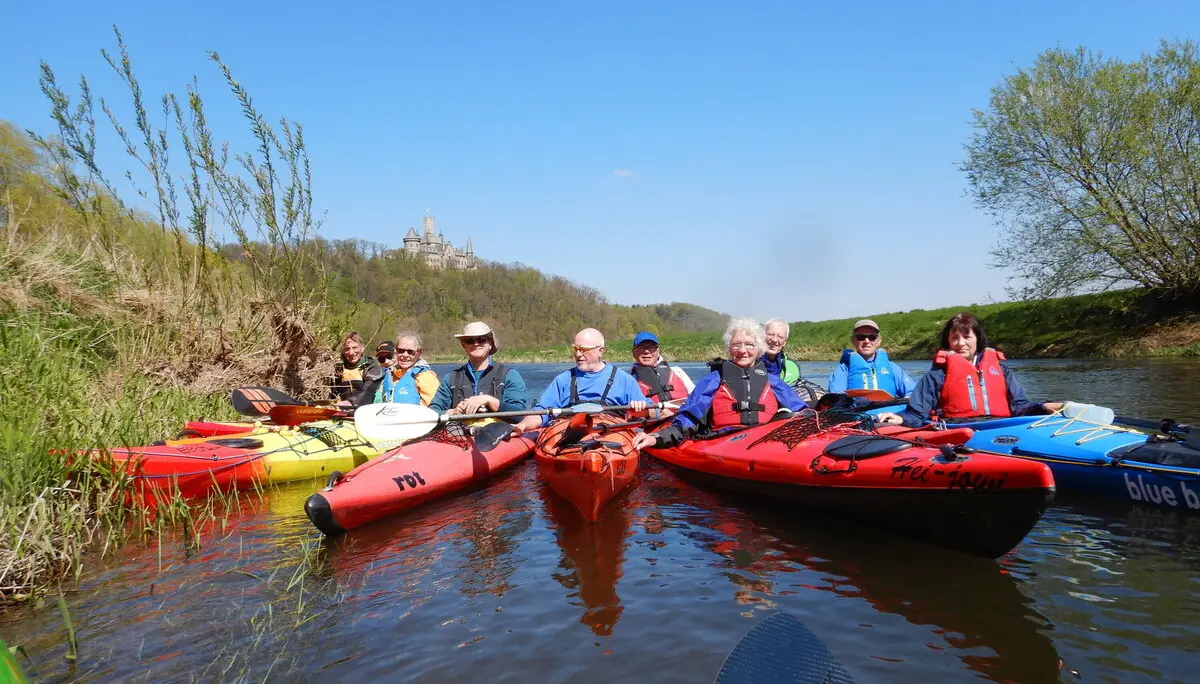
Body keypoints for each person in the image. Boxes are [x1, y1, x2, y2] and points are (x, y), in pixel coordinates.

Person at [633, 318, 809, 450]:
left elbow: (803, 412)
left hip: (765, 442)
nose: (742, 350)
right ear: (728, 348)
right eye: (736, 344)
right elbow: (688, 418)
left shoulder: (773, 381)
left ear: (759, 348)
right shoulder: (714, 380)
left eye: (749, 344)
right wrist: (657, 437)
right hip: (725, 443)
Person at [878, 312, 1063, 427]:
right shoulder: (937, 374)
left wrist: (1042, 406)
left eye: (967, 336)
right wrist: (901, 419)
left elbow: (1019, 406)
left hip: (1002, 426)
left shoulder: (1001, 370)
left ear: (977, 339)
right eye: (955, 338)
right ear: (948, 342)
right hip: (958, 429)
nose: (961, 343)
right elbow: (918, 413)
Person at [511, 328, 649, 433]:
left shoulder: (624, 380)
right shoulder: (563, 380)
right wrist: (522, 426)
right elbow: (541, 413)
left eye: (583, 349)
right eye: (576, 349)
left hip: (610, 434)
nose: (578, 354)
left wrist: (641, 409)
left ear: (601, 351)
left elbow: (652, 411)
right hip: (571, 435)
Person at [428, 321, 528, 416]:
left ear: (490, 344)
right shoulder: (450, 379)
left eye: (481, 339)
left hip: (499, 432)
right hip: (459, 432)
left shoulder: (509, 375)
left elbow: (519, 414)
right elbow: (431, 412)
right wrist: (451, 412)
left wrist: (489, 401)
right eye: (470, 340)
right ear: (464, 345)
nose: (476, 343)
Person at [826, 319, 918, 398]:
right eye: (861, 337)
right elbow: (836, 398)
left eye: (872, 337)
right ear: (853, 340)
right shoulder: (843, 370)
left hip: (889, 416)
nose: (867, 341)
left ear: (878, 341)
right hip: (858, 416)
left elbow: (913, 393)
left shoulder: (892, 368)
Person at [374, 332, 440, 406]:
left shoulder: (426, 377)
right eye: (401, 351)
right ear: (396, 351)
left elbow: (434, 409)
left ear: (419, 353)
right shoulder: (390, 375)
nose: (405, 355)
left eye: (410, 352)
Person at [629, 331, 694, 404]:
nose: (646, 351)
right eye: (642, 347)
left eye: (651, 347)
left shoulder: (677, 371)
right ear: (634, 352)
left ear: (658, 351)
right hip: (651, 414)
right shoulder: (629, 381)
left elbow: (696, 398)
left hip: (681, 412)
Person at [331, 331, 383, 407]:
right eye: (347, 349)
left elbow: (368, 392)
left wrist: (350, 402)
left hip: (363, 409)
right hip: (340, 408)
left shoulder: (372, 367)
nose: (351, 353)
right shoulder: (338, 367)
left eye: (354, 347)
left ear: (362, 348)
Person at [762, 318, 802, 385]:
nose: (774, 340)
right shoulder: (750, 362)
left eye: (780, 337)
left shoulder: (793, 367)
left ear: (784, 343)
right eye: (771, 334)